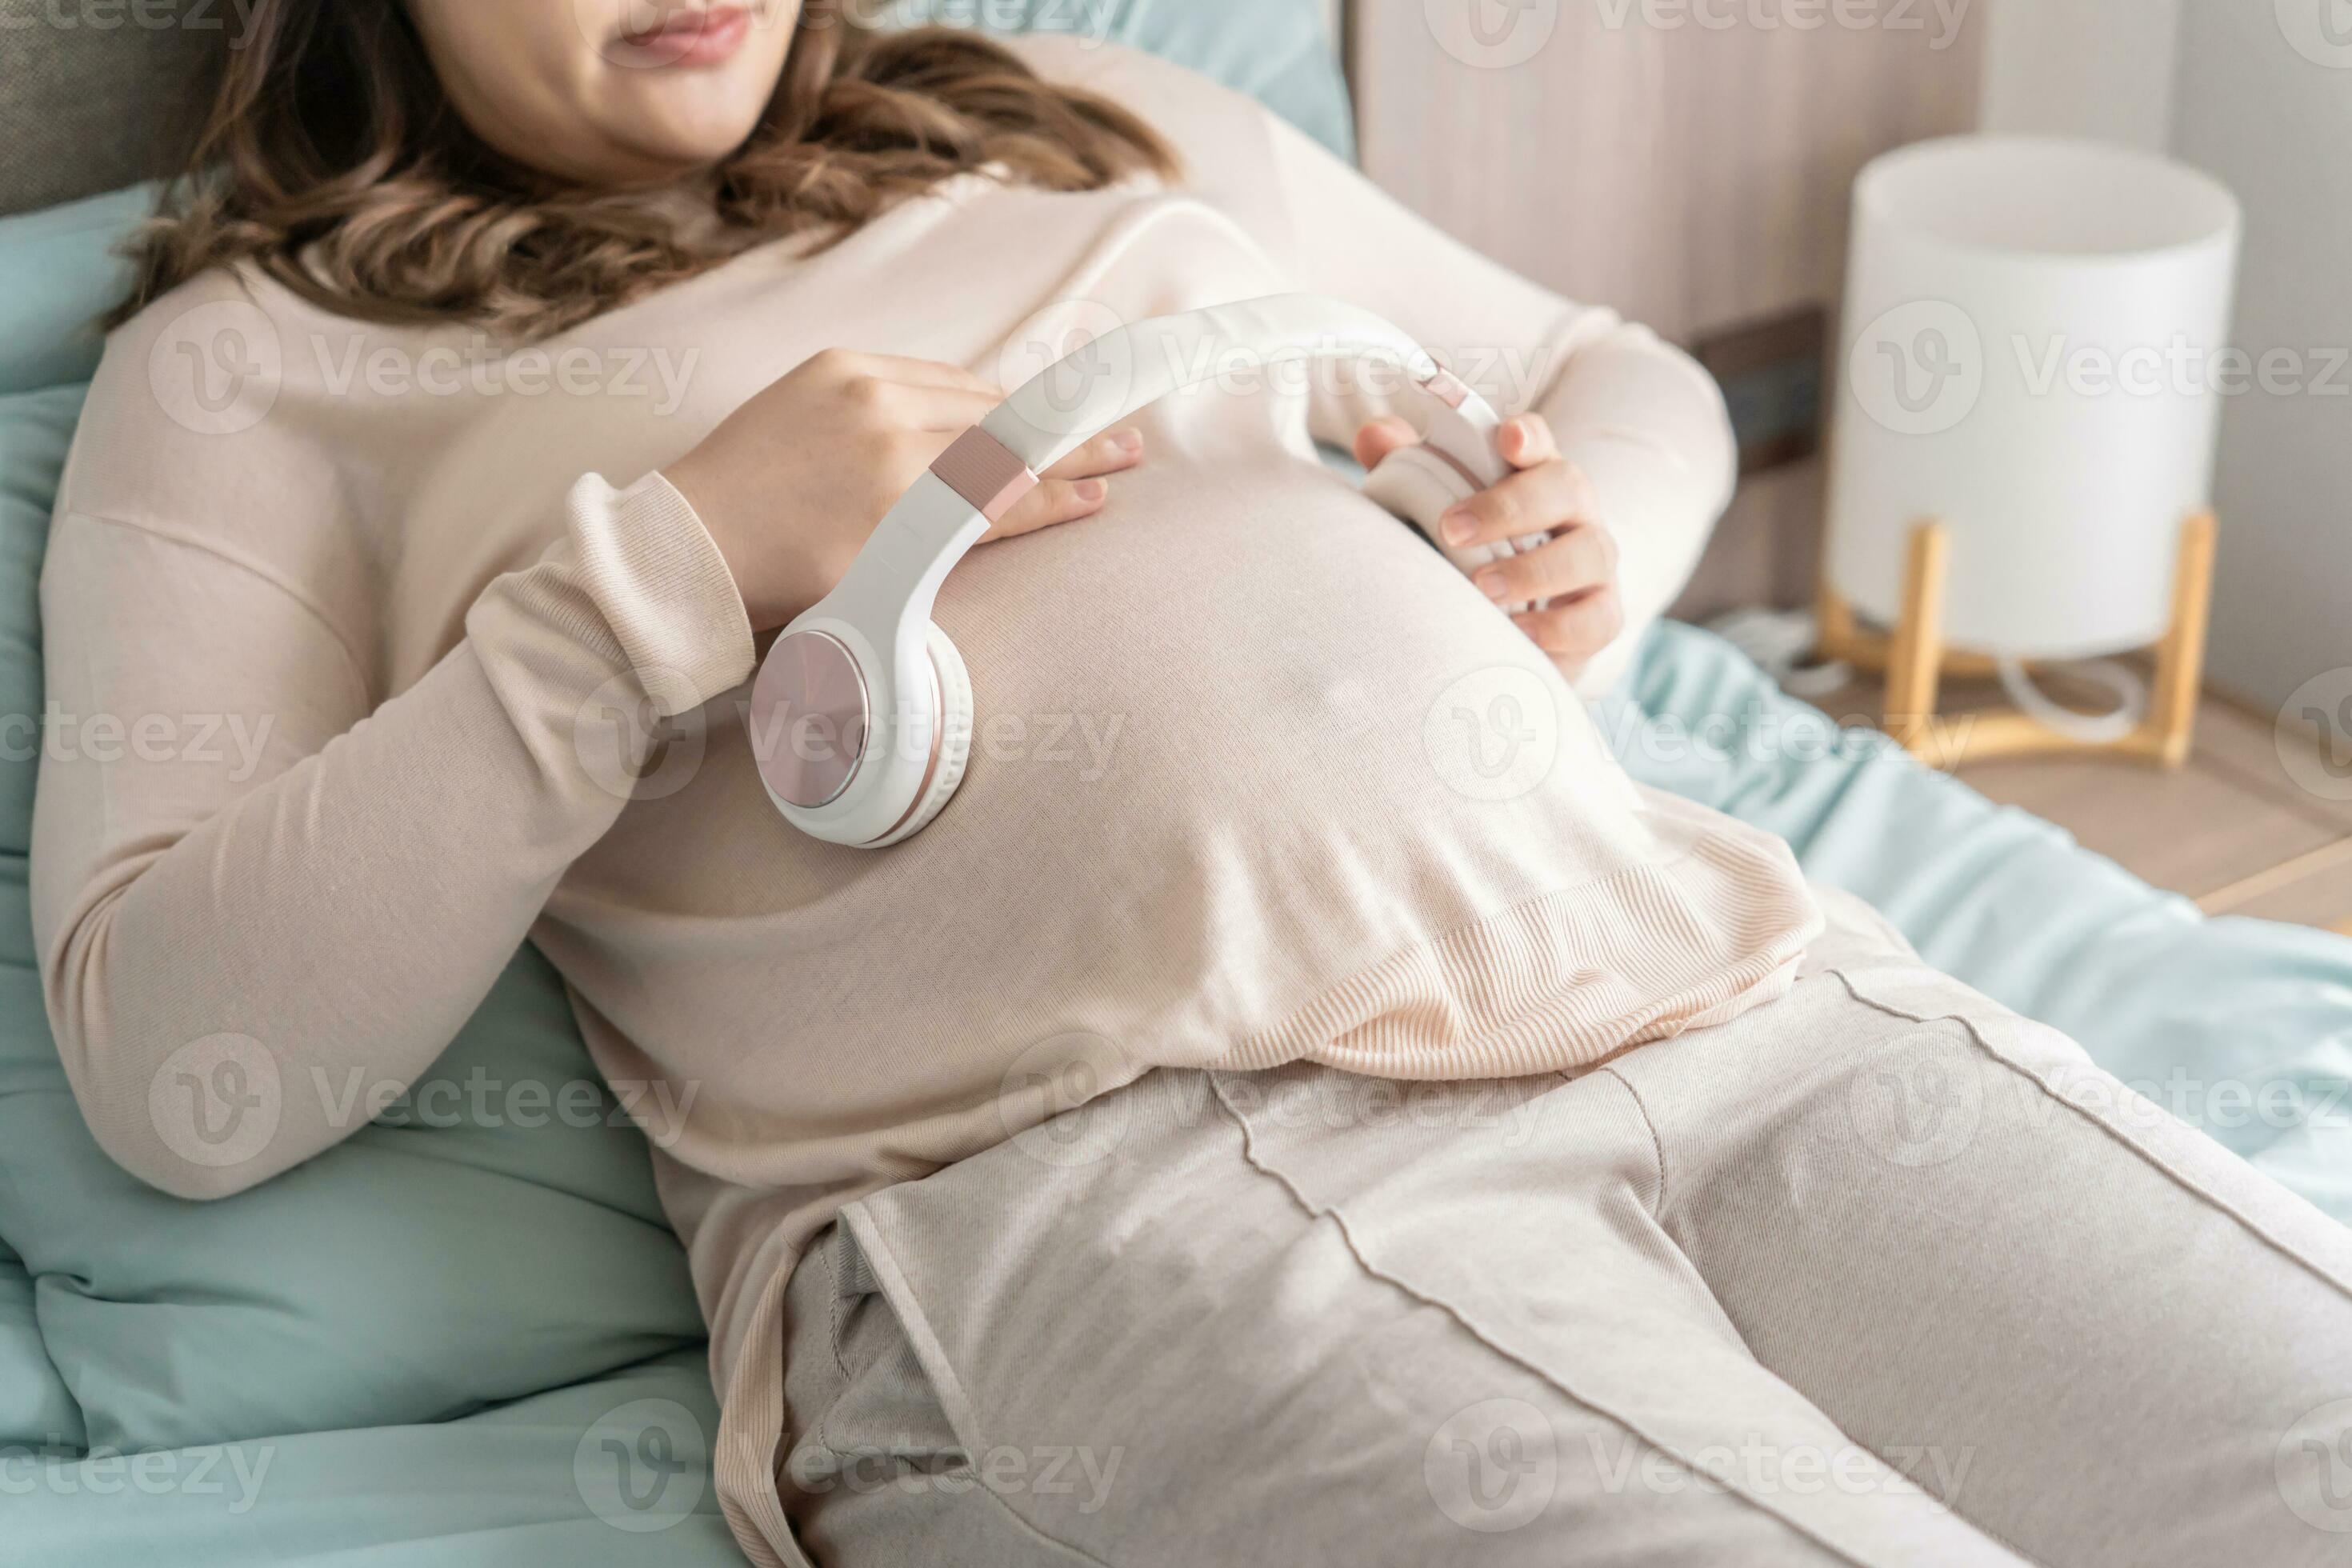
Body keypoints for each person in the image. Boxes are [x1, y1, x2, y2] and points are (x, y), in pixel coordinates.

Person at [34, 4, 2352, 1564]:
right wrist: (673, 572)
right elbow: (180, 1068)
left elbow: (1599, 371)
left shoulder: (1068, 109)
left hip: (1716, 994)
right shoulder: (264, 364)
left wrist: (1585, 551)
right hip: (1119, 1199)